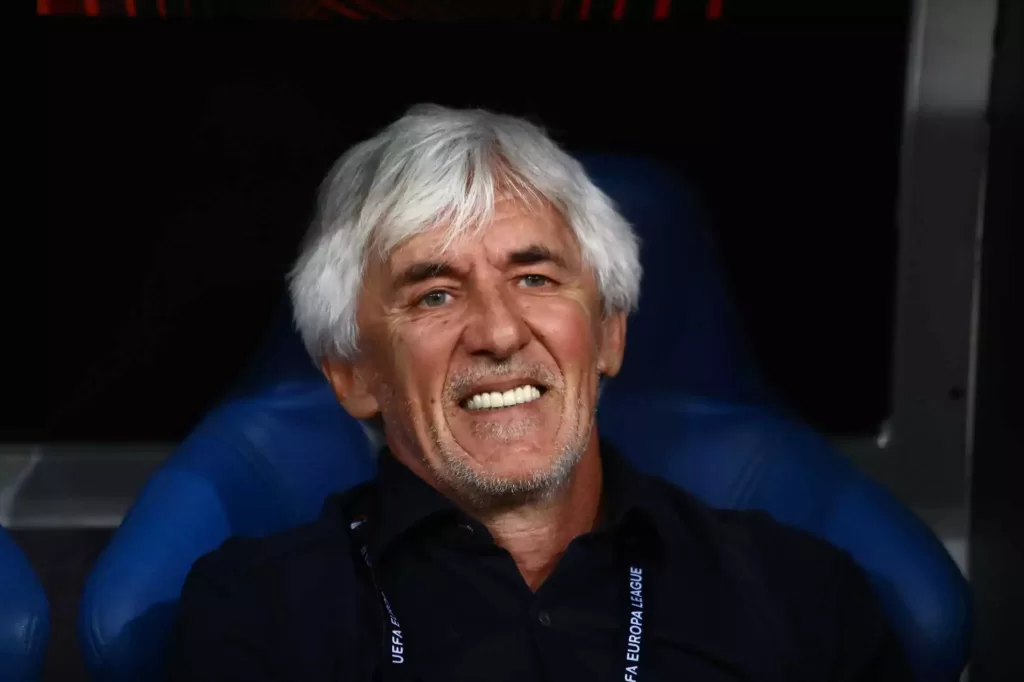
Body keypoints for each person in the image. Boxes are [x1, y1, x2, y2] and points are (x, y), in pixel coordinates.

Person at [166, 104, 911, 681]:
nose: (498, 332)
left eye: (534, 278)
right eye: (433, 295)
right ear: (352, 373)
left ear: (609, 332)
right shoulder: (256, 619)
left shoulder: (799, 594)